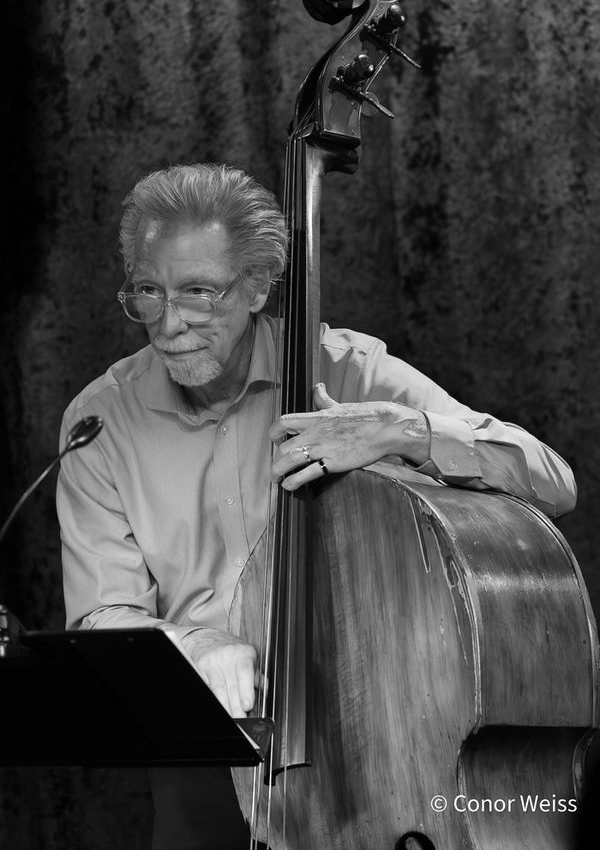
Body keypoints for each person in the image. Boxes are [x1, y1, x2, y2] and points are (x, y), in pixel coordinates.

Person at [57, 163, 576, 850]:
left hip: (375, 740)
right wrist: (191, 643)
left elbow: (551, 481)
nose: (170, 323)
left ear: (258, 286)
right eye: (149, 291)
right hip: (207, 756)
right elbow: (101, 613)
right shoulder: (99, 421)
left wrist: (401, 430)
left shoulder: (346, 371)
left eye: (199, 292)